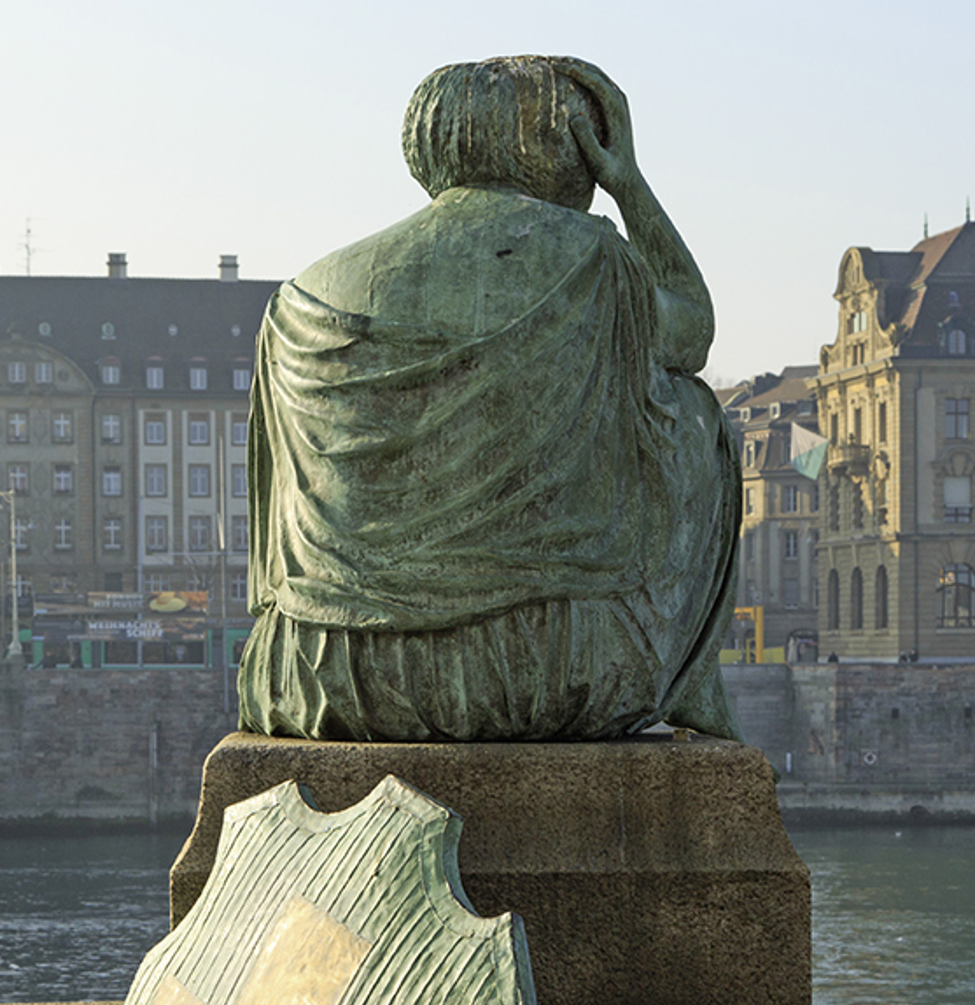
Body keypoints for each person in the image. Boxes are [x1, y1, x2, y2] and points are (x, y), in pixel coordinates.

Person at [241, 56, 740, 742]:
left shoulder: (300, 295)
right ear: (565, 147)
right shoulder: (596, 261)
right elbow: (693, 328)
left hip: (319, 677)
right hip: (550, 675)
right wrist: (629, 184)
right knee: (692, 410)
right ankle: (695, 694)